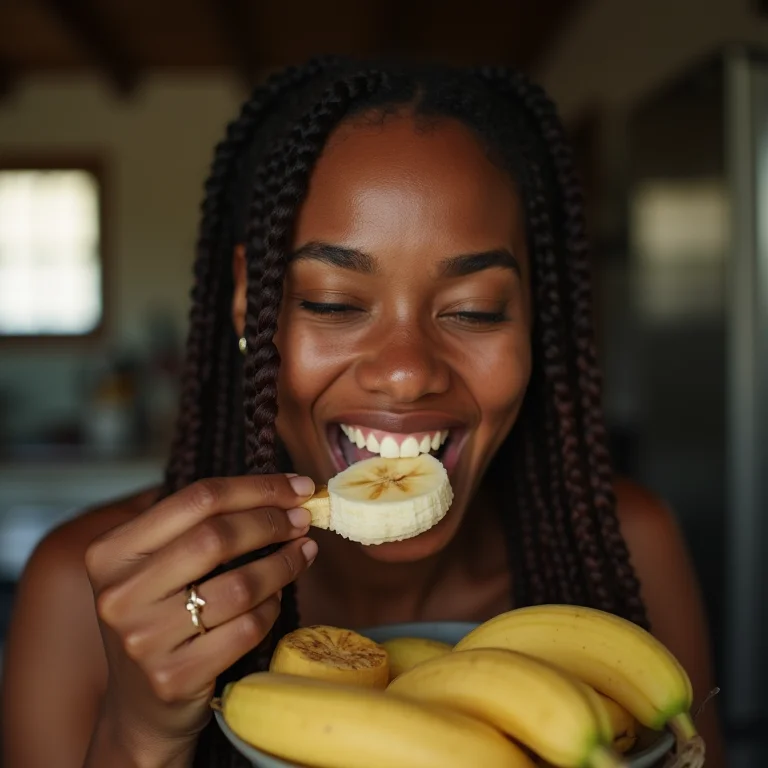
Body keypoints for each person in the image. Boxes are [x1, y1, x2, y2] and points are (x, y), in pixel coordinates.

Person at [1, 55, 725, 768]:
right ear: (250, 302)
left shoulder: (633, 545)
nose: (407, 373)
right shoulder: (84, 593)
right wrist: (141, 734)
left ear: (538, 315)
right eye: (334, 304)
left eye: (474, 312)